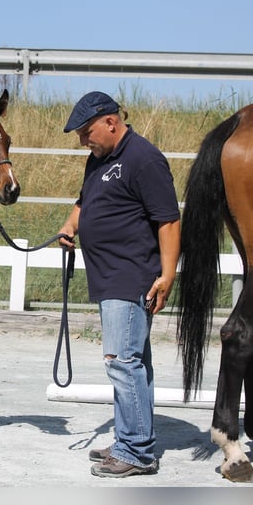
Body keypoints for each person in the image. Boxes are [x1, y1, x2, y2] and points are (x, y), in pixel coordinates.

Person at [57, 91, 180, 478]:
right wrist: (70, 225)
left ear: (111, 122)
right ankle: (130, 438)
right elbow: (84, 202)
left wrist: (168, 273)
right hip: (110, 277)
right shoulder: (99, 161)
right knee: (133, 364)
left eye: (86, 131)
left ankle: (137, 451)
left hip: (130, 277)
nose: (82, 140)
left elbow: (169, 220)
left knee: (122, 364)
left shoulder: (144, 159)